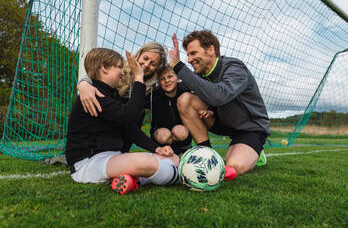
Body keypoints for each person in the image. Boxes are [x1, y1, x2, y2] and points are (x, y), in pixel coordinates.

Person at [65, 48, 179, 195]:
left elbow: (129, 128)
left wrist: (157, 149)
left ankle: (132, 178)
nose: (122, 71)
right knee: (143, 162)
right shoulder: (93, 94)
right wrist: (139, 77)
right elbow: (130, 115)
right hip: (88, 163)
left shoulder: (111, 93)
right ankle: (182, 176)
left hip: (113, 156)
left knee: (173, 158)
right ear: (104, 68)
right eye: (119, 67)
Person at [168, 30, 270, 180]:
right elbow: (178, 89)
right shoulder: (200, 75)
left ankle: (256, 152)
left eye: (193, 53)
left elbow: (218, 96)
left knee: (234, 166)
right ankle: (209, 157)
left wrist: (178, 66)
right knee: (185, 100)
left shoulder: (234, 68)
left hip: (251, 128)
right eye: (188, 55)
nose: (189, 60)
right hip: (224, 122)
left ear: (211, 50)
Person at [150, 64, 192, 155]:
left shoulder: (185, 91)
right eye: (162, 79)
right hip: (161, 133)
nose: (166, 81)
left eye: (170, 77)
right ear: (159, 82)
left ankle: (185, 148)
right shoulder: (154, 95)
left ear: (178, 79)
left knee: (180, 132)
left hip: (181, 132)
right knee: (163, 135)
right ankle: (165, 150)